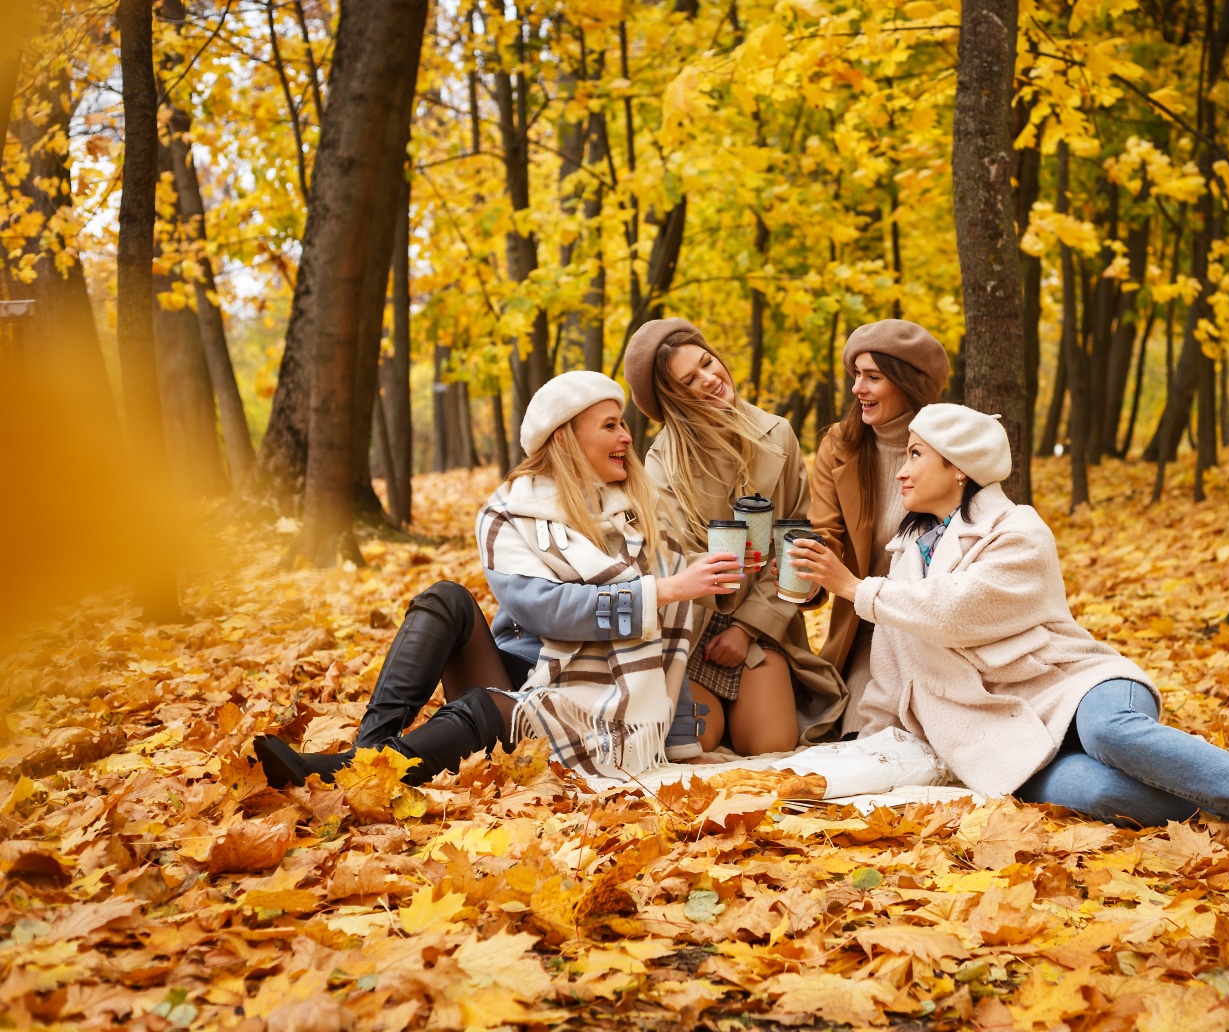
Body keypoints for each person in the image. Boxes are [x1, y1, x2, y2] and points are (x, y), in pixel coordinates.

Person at [787, 404, 1229, 852]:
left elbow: (952, 612)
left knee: (1110, 735)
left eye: (917, 455)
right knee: (1097, 793)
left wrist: (853, 588)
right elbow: (903, 671)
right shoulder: (907, 548)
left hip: (1074, 683)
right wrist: (878, 733)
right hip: (1001, 723)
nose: (902, 468)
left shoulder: (1018, 532)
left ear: (959, 469)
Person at [253, 372, 743, 789]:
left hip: (595, 695)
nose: (628, 437)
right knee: (446, 598)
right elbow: (545, 609)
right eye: (611, 425)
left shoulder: (643, 519)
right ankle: (369, 752)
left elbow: (663, 649)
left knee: (484, 709)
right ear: (567, 437)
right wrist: (661, 590)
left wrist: (678, 741)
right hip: (523, 668)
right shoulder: (511, 512)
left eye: (624, 424)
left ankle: (348, 773)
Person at [625, 318, 846, 753]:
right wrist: (721, 595)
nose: (710, 379)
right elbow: (671, 557)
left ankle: (750, 702)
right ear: (672, 397)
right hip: (695, 626)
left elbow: (794, 540)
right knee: (698, 742)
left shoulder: (777, 434)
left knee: (772, 746)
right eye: (690, 379)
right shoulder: (661, 461)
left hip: (762, 622)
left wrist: (747, 627)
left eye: (708, 362)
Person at [807, 320, 950, 736]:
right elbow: (825, 533)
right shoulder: (839, 446)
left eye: (873, 377)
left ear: (908, 384)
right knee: (860, 733)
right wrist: (806, 570)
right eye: (856, 376)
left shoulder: (950, 449)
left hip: (932, 626)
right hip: (865, 627)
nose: (857, 389)